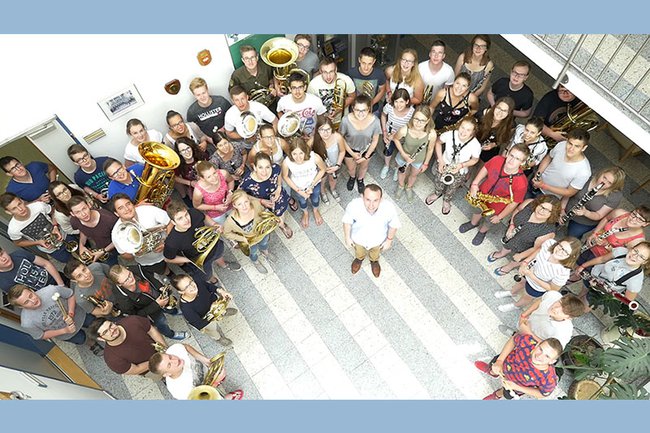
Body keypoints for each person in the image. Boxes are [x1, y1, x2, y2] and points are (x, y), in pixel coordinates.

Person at [459, 144, 530, 246]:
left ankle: (482, 231)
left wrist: (500, 216)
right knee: (476, 210)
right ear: (508, 153)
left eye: (517, 159)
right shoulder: (497, 159)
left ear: (522, 162)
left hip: (497, 207)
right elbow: (485, 168)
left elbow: (514, 203)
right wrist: (475, 184)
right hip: (481, 195)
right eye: (511, 155)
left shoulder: (522, 183)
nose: (511, 160)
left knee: (489, 221)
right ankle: (473, 223)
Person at [7, 284, 101, 354]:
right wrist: (65, 330)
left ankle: (103, 333)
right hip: (65, 333)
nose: (33, 301)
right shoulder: (27, 323)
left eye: (31, 295)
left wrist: (71, 313)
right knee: (81, 339)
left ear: (31, 290)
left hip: (79, 315)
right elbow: (41, 335)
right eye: (26, 302)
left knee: (94, 324)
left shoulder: (51, 290)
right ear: (21, 307)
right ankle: (92, 343)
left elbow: (70, 295)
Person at [164, 200, 241, 285]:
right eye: (180, 218)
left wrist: (214, 224)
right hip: (200, 259)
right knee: (206, 275)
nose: (186, 220)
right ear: (173, 222)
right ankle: (211, 279)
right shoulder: (172, 242)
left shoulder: (193, 212)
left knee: (218, 254)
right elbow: (168, 258)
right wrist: (188, 260)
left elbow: (204, 217)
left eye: (186, 214)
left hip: (213, 245)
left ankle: (223, 264)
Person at [495, 237, 580, 312]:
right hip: (529, 270)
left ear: (571, 256)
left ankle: (516, 305)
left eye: (565, 251)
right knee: (520, 283)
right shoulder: (549, 243)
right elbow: (539, 250)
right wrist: (525, 262)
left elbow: (553, 289)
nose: (560, 251)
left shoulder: (563, 272)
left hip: (537, 286)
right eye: (560, 246)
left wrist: (532, 276)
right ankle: (512, 292)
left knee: (527, 297)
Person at [108, 264, 187, 340]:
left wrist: (160, 287)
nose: (131, 279)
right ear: (119, 284)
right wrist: (156, 305)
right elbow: (136, 315)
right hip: (151, 310)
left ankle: (174, 311)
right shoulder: (123, 300)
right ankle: (170, 334)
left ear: (127, 269)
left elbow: (150, 278)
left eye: (129, 274)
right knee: (161, 322)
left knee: (169, 306)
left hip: (157, 295)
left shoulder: (135, 269)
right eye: (126, 280)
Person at [475, 334, 562, 400]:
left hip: (515, 386)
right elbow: (514, 339)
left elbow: (543, 394)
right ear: (537, 344)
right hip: (503, 364)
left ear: (552, 361)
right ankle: (492, 372)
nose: (539, 356)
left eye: (547, 356)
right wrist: (500, 361)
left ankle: (497, 395)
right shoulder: (528, 342)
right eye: (540, 349)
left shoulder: (549, 379)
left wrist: (516, 387)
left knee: (506, 393)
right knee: (494, 365)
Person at [491, 195, 561, 276]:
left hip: (524, 247)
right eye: (541, 206)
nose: (542, 211)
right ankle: (501, 253)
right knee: (506, 246)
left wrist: (521, 255)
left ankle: (509, 267)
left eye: (547, 210)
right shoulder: (529, 203)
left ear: (552, 214)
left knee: (516, 260)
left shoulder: (548, 231)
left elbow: (536, 248)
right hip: (512, 235)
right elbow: (517, 210)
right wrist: (512, 225)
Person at [424, 117, 481, 215]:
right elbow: (438, 142)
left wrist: (462, 165)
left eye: (468, 130)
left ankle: (447, 200)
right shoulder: (450, 134)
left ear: (472, 132)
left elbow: (475, 159)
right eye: (462, 127)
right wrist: (441, 160)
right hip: (445, 163)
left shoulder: (475, 145)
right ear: (459, 126)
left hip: (460, 169)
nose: (463, 132)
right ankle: (437, 193)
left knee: (453, 187)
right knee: (438, 180)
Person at [110, 193, 171, 284]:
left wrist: (166, 241)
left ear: (132, 204)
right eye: (120, 208)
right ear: (116, 213)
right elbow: (125, 255)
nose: (127, 209)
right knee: (165, 271)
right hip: (150, 261)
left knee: (181, 262)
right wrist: (135, 252)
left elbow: (170, 222)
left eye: (128, 204)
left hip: (170, 246)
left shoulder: (148, 210)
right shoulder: (116, 233)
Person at [573, 206, 649, 278]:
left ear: (646, 224)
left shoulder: (637, 241)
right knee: (576, 261)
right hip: (591, 243)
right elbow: (606, 218)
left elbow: (621, 256)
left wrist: (606, 245)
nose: (633, 219)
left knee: (581, 273)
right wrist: (594, 233)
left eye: (639, 219)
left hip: (599, 258)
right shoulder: (619, 213)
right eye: (634, 214)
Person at [342, 184, 400, 278]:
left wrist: (389, 240)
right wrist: (347, 237)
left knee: (375, 252)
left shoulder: (388, 208)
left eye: (375, 200)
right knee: (359, 251)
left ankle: (374, 260)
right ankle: (359, 259)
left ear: (381, 199)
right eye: (368, 200)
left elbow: (393, 224)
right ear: (362, 197)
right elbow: (347, 221)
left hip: (377, 240)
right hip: (359, 239)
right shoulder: (354, 205)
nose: (371, 205)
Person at [148, 343, 243, 400]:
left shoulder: (174, 349)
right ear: (167, 374)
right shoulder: (179, 391)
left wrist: (205, 360)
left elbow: (186, 347)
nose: (175, 360)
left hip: (207, 374)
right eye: (169, 365)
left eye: (170, 357)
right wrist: (215, 381)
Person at [497, 292, 586, 348]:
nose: (555, 308)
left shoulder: (563, 333)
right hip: (528, 323)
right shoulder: (554, 295)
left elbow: (551, 348)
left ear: (569, 317)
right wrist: (525, 314)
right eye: (559, 303)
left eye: (563, 310)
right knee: (518, 332)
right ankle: (515, 335)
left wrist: (529, 333)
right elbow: (541, 300)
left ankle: (517, 341)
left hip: (533, 343)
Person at [2, 192, 70, 263]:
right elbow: (18, 243)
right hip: (52, 249)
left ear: (22, 201)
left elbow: (53, 212)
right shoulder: (13, 229)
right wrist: (38, 242)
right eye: (14, 209)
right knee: (70, 262)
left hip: (64, 235)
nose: (20, 209)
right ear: (8, 212)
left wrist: (55, 226)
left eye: (19, 204)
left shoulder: (39, 206)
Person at [577, 242, 649, 309]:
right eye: (636, 251)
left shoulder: (635, 280)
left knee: (584, 306)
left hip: (603, 293)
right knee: (583, 292)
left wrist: (605, 291)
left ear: (645, 262)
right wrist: (583, 266)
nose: (634, 256)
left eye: (641, 257)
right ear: (631, 248)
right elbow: (602, 259)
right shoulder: (621, 252)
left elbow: (627, 300)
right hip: (594, 275)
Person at [170, 273, 236, 346]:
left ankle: (223, 312)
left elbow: (208, 286)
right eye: (186, 287)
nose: (192, 286)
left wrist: (221, 291)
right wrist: (213, 314)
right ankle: (219, 338)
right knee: (213, 331)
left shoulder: (197, 282)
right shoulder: (186, 309)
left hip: (214, 305)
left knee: (222, 311)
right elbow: (199, 324)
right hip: (207, 320)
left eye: (191, 282)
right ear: (181, 292)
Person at [88, 315, 166, 376]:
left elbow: (151, 330)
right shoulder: (111, 359)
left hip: (163, 352)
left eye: (110, 325)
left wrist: (165, 349)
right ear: (101, 339)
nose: (112, 330)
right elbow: (136, 369)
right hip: (150, 369)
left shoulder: (132, 321)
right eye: (105, 332)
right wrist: (158, 361)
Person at [240, 152, 294, 239]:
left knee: (282, 207)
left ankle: (288, 205)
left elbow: (279, 173)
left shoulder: (275, 168)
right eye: (260, 167)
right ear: (254, 167)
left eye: (267, 167)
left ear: (271, 165)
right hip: (264, 204)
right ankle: (282, 225)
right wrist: (261, 201)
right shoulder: (247, 181)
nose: (264, 172)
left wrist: (279, 186)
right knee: (276, 216)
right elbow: (241, 195)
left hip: (278, 196)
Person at [223, 190, 280, 274]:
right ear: (234, 205)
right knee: (253, 253)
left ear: (249, 200)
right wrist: (241, 238)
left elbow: (264, 212)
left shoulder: (256, 204)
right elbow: (226, 233)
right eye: (239, 204)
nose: (244, 206)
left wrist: (272, 220)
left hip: (262, 234)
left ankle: (265, 253)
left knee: (264, 244)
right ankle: (255, 262)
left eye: (246, 202)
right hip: (249, 241)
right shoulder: (230, 221)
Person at [562, 167, 625, 239]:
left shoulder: (615, 196)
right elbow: (568, 193)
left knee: (572, 237)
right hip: (568, 206)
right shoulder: (588, 176)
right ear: (602, 173)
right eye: (604, 177)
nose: (604, 182)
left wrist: (585, 212)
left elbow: (599, 215)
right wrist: (562, 209)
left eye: (609, 183)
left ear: (614, 186)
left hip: (586, 221)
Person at [529, 128, 591, 200]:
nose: (571, 148)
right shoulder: (561, 145)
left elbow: (570, 192)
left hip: (549, 197)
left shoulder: (584, 171)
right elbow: (548, 157)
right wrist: (538, 173)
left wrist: (543, 185)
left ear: (584, 148)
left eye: (577, 146)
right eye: (570, 143)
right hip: (535, 181)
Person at [393, 106, 437, 203]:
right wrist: (403, 154)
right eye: (416, 119)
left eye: (422, 120)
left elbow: (430, 149)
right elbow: (395, 139)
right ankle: (400, 186)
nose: (418, 123)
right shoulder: (405, 129)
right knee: (402, 172)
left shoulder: (431, 134)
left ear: (427, 121)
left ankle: (409, 188)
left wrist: (426, 163)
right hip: (404, 156)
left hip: (419, 159)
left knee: (414, 174)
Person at [282, 137, 327, 228]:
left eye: (301, 153)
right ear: (290, 153)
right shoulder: (287, 162)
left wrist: (311, 186)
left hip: (314, 184)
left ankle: (315, 210)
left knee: (315, 197)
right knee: (302, 201)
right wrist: (299, 191)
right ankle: (305, 213)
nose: (298, 158)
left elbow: (323, 170)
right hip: (299, 187)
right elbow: (285, 176)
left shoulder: (314, 158)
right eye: (294, 154)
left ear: (305, 151)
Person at [340, 95, 381, 194]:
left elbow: (375, 140)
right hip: (350, 148)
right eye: (357, 110)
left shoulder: (375, 121)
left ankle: (360, 179)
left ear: (369, 109)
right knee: (351, 168)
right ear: (353, 108)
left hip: (366, 149)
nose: (360, 113)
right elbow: (341, 137)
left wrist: (366, 156)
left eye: (364, 110)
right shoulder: (345, 120)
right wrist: (353, 154)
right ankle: (352, 177)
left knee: (363, 167)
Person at [68, 195, 119, 266]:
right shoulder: (74, 221)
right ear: (72, 214)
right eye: (78, 212)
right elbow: (82, 230)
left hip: (118, 246)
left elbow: (120, 237)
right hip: (101, 248)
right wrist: (81, 245)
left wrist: (103, 251)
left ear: (89, 205)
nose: (83, 214)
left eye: (84, 209)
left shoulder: (109, 219)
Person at [224, 85, 277, 150]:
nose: (240, 103)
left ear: (247, 97)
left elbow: (275, 121)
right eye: (236, 100)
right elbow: (229, 133)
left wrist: (270, 138)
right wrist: (245, 136)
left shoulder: (258, 106)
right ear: (232, 101)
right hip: (245, 145)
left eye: (242, 99)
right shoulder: (229, 114)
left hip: (264, 141)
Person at [307, 57, 356, 128]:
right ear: (320, 71)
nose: (328, 76)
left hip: (342, 122)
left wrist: (338, 109)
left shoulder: (346, 79)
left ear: (335, 70)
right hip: (322, 123)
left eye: (331, 71)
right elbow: (310, 104)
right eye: (325, 72)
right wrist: (323, 115)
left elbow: (352, 96)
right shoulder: (313, 84)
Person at [276, 71, 327, 137]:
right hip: (294, 136)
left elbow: (321, 119)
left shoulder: (316, 101)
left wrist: (315, 136)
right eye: (294, 88)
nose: (297, 91)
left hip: (313, 136)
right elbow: (279, 112)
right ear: (289, 89)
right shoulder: (283, 101)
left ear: (305, 87)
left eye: (300, 87)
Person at [379, 88, 415, 181]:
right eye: (396, 101)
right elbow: (383, 115)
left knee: (401, 153)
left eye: (401, 102)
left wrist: (397, 135)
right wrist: (384, 132)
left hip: (402, 137)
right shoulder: (389, 107)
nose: (398, 105)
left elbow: (411, 126)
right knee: (388, 150)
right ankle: (386, 165)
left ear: (407, 101)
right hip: (389, 133)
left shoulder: (411, 112)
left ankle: (397, 168)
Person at [228, 44, 277, 110]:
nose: (250, 61)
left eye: (252, 57)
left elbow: (272, 77)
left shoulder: (266, 66)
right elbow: (233, 92)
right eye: (246, 58)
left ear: (257, 57)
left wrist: (272, 86)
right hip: (252, 107)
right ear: (243, 60)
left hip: (271, 101)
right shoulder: (236, 75)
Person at [309, 116, 345, 204]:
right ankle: (323, 192)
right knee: (322, 181)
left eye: (328, 129)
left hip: (334, 165)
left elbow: (342, 151)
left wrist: (337, 165)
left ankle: (333, 190)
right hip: (321, 168)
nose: (325, 133)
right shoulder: (313, 140)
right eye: (322, 130)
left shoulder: (337, 137)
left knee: (333, 179)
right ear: (317, 130)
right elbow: (306, 153)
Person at [0, 246, 64, 293]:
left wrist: (61, 284)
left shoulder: (19, 254)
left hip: (56, 277)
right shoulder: (3, 283)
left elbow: (46, 264)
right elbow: (26, 296)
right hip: (45, 294)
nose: (3, 259)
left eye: (2, 254)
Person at [192, 160, 235, 225]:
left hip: (230, 206)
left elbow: (231, 181)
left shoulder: (223, 173)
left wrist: (230, 193)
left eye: (214, 173)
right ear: (202, 179)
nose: (214, 178)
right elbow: (197, 206)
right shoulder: (198, 191)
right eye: (209, 177)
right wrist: (216, 207)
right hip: (216, 215)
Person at [475, 97, 516, 164]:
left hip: (488, 150)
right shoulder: (482, 114)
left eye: (504, 111)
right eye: (499, 108)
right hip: (472, 143)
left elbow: (504, 139)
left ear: (509, 113)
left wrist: (494, 144)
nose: (500, 112)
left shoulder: (511, 125)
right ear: (494, 107)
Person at [347, 46, 386, 114]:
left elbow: (382, 90)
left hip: (373, 109)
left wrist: (372, 103)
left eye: (369, 64)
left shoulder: (379, 74)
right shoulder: (351, 73)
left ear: (374, 61)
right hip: (354, 109)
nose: (366, 67)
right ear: (359, 60)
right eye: (363, 63)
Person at [418, 40, 455, 106]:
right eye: (433, 52)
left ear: (443, 56)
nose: (436, 56)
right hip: (419, 101)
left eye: (440, 53)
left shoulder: (449, 71)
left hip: (436, 103)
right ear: (429, 54)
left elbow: (446, 91)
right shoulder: (420, 67)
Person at [173, 137, 209, 203]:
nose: (187, 152)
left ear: (191, 147)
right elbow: (175, 177)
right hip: (197, 192)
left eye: (188, 148)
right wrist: (190, 183)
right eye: (183, 150)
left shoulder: (201, 155)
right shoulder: (178, 164)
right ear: (179, 153)